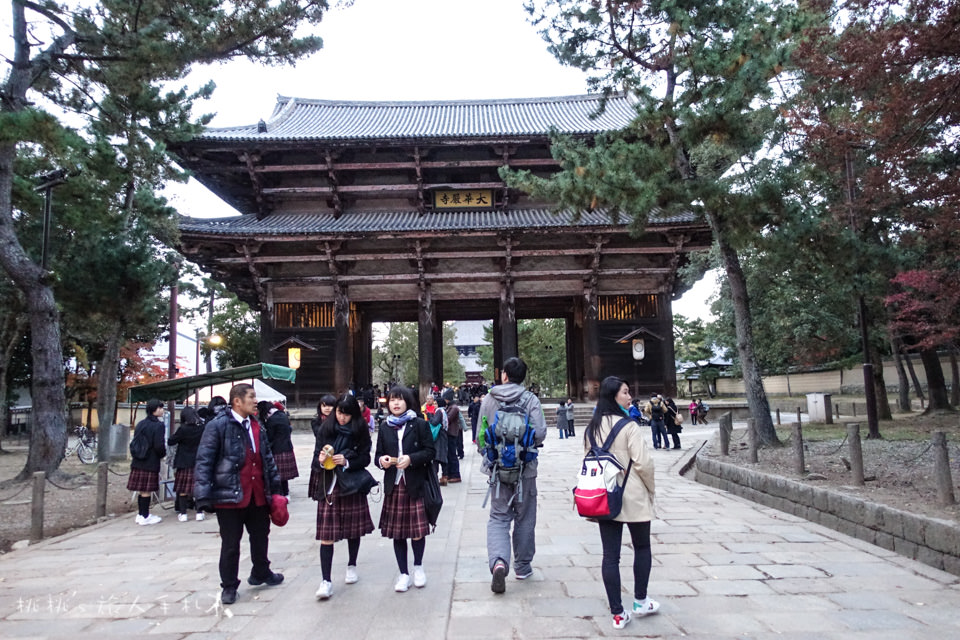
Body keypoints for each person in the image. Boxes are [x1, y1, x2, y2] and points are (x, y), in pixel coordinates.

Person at [194, 383, 285, 605]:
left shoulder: (257, 425)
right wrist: (203, 494)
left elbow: (267, 459)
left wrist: (275, 488)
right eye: (251, 397)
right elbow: (204, 460)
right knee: (231, 543)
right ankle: (229, 585)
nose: (256, 401)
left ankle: (261, 571)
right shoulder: (218, 426)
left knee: (261, 535)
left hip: (257, 493)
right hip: (230, 494)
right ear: (237, 401)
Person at [584, 376, 659, 629]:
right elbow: (643, 463)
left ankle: (617, 613)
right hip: (634, 493)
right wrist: (651, 489)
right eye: (625, 392)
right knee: (642, 547)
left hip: (605, 495)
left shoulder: (591, 427)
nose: (629, 397)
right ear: (613, 396)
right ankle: (640, 601)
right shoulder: (629, 426)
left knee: (610, 556)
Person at [479, 356, 547, 593]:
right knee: (525, 516)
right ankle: (522, 566)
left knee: (498, 517)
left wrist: (491, 456)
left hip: (497, 471)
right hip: (525, 470)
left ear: (504, 375)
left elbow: (480, 433)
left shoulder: (489, 398)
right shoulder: (530, 399)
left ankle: (499, 561)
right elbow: (540, 433)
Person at [310, 394, 375, 600]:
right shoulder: (325, 429)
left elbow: (365, 458)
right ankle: (326, 580)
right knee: (326, 535)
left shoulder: (360, 429)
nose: (342, 417)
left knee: (352, 530)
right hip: (329, 485)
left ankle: (352, 564)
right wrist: (321, 460)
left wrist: (347, 461)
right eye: (339, 412)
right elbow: (314, 461)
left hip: (351, 485)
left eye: (347, 414)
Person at [375, 385, 436, 593]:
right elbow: (378, 455)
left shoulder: (418, 424)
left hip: (414, 482)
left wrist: (411, 459)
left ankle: (418, 567)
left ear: (408, 402)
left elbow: (430, 452)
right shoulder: (384, 426)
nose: (396, 403)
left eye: (400, 400)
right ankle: (403, 573)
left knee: (418, 532)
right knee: (398, 533)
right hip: (394, 484)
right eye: (392, 400)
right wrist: (382, 460)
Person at [127, 398, 167, 526]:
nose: (162, 410)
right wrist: (162, 455)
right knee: (146, 490)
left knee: (141, 489)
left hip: (138, 460)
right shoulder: (159, 425)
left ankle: (140, 514)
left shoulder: (141, 423)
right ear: (154, 410)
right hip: (150, 460)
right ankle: (145, 516)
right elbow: (159, 446)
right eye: (160, 408)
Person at [168, 406, 205, 522]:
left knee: (183, 489)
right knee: (198, 488)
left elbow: (171, 441)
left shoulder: (183, 429)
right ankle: (199, 512)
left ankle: (183, 514)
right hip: (198, 460)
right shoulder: (202, 428)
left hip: (183, 461)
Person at [260, 401, 299, 497]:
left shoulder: (271, 420)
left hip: (277, 450)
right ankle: (286, 492)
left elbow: (270, 436)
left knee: (278, 474)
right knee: (283, 476)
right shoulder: (283, 415)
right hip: (287, 447)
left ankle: (281, 493)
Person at [308, 394, 337, 499]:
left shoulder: (339, 421)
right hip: (322, 454)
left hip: (335, 455)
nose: (327, 408)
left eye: (330, 406)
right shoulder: (316, 421)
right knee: (322, 490)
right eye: (324, 406)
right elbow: (319, 434)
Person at [444, 400, 464, 482]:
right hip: (449, 433)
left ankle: (455, 474)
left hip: (452, 433)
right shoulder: (450, 407)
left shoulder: (454, 408)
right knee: (449, 454)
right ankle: (450, 473)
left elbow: (448, 418)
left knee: (452, 454)